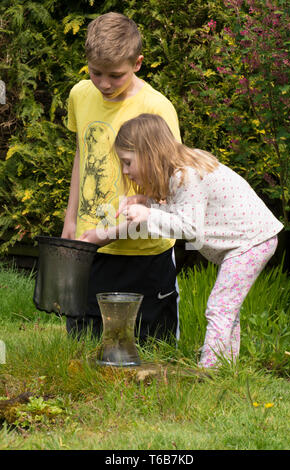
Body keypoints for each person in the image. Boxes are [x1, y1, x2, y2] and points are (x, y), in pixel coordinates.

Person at [97, 113, 282, 369]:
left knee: (219, 307)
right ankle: (226, 367)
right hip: (249, 240)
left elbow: (189, 227)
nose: (125, 171)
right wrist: (147, 202)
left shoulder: (187, 175)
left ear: (149, 153)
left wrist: (148, 213)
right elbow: (180, 211)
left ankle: (208, 370)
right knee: (228, 308)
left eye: (128, 162)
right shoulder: (179, 171)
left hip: (251, 241)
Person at [62, 13, 181, 343]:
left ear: (138, 63)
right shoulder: (80, 95)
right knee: (85, 346)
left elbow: (168, 190)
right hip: (92, 248)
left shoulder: (157, 109)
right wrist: (70, 220)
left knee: (150, 349)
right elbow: (82, 155)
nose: (104, 83)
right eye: (95, 72)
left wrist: (111, 233)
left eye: (116, 75)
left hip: (145, 253)